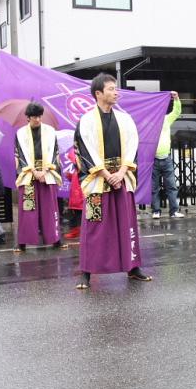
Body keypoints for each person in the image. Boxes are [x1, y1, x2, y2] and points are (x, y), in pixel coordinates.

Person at [74, 73, 151, 289]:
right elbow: (84, 151)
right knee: (94, 226)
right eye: (110, 89)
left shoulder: (125, 119)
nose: (115, 92)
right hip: (98, 180)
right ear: (98, 93)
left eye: (116, 88)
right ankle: (86, 272)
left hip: (122, 177)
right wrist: (107, 175)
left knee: (127, 222)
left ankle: (133, 267)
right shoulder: (86, 120)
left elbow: (133, 145)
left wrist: (122, 171)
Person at [14, 102, 62, 252]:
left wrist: (45, 171)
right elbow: (19, 155)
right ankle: (23, 242)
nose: (38, 119)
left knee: (50, 208)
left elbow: (55, 153)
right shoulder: (20, 133)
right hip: (29, 174)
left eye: (40, 116)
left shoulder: (50, 131)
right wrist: (34, 172)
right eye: (34, 117)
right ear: (28, 117)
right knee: (28, 209)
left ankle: (55, 240)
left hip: (47, 173)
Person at [151, 91, 184, 219]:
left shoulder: (165, 119)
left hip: (166, 157)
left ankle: (174, 211)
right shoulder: (148, 121)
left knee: (171, 186)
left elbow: (176, 112)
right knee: (154, 187)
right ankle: (156, 211)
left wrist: (176, 99)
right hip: (153, 159)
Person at [63, 148, 84, 240]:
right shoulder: (76, 172)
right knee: (74, 216)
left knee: (79, 217)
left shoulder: (82, 171)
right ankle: (75, 231)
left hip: (79, 200)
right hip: (74, 199)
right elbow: (74, 180)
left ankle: (77, 232)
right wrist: (70, 176)